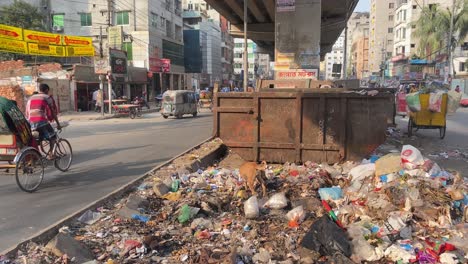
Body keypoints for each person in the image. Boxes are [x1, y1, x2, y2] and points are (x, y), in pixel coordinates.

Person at [26, 83, 61, 158]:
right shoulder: (47, 97)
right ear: (47, 90)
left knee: (38, 138)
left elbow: (27, 112)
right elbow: (53, 111)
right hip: (40, 120)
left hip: (30, 122)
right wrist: (58, 124)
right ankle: (51, 154)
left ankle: (35, 155)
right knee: (53, 137)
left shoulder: (31, 98)